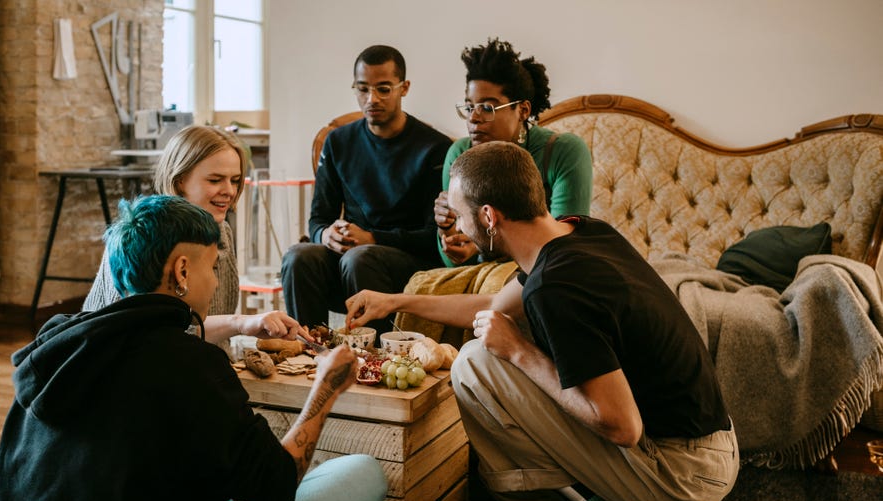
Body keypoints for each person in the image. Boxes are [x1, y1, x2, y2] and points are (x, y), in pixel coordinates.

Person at [348, 142, 774, 501]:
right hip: (715, 450)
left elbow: (622, 426)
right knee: (502, 339)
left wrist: (518, 351)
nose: (456, 226)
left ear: (489, 217)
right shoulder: (580, 231)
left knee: (475, 365)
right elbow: (495, 304)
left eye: (459, 215)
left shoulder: (556, 287)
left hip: (685, 476)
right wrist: (395, 300)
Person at [0, 195, 388, 501]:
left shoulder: (60, 341)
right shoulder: (191, 367)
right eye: (213, 267)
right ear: (182, 271)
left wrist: (243, 323)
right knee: (363, 475)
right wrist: (326, 390)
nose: (214, 278)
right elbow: (276, 489)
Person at [84, 124, 305, 352]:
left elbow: (206, 333)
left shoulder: (222, 232)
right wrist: (240, 323)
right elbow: (151, 336)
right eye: (215, 180)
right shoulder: (144, 239)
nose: (229, 190)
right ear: (180, 180)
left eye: (235, 180)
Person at [280, 44, 452, 333]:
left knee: (360, 257)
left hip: (406, 263)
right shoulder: (338, 143)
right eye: (362, 89)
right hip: (351, 258)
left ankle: (377, 359)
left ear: (404, 88)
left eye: (383, 89)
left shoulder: (434, 148)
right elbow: (318, 219)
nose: (371, 99)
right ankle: (309, 350)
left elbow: (432, 237)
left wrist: (371, 237)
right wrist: (327, 235)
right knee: (299, 256)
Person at [435, 37, 592, 267]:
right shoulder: (459, 155)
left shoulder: (563, 151)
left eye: (487, 107)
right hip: (479, 278)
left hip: (545, 273)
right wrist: (448, 230)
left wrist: (483, 246)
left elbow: (563, 249)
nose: (474, 118)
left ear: (523, 110)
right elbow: (453, 267)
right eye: (469, 107)